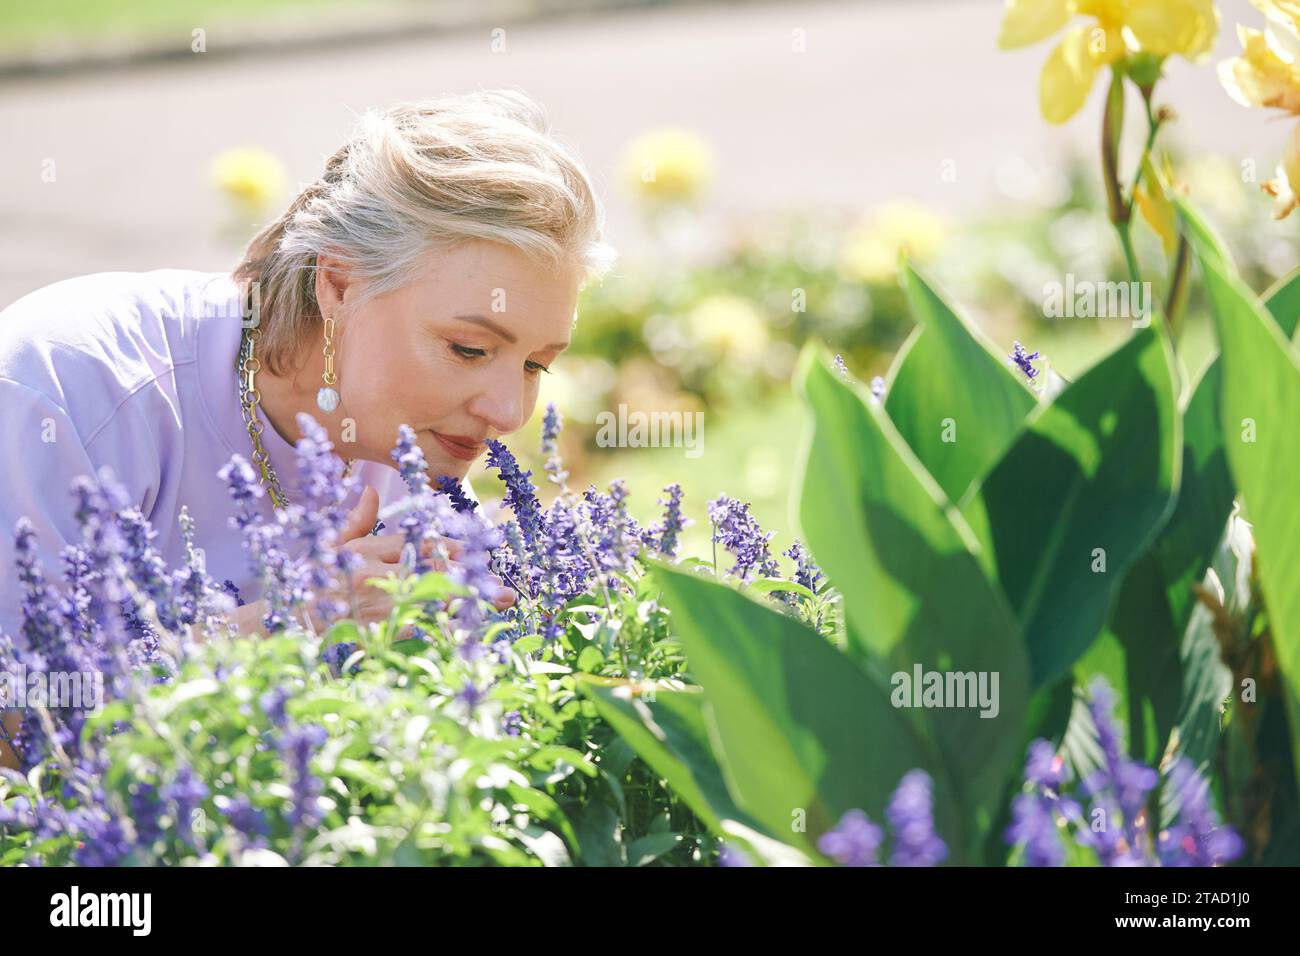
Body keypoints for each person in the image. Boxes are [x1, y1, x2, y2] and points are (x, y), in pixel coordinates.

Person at [0, 89, 617, 767]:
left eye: (536, 365)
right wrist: (289, 622)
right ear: (340, 286)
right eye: (468, 349)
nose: (508, 413)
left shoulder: (412, 451)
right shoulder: (63, 388)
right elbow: (17, 729)